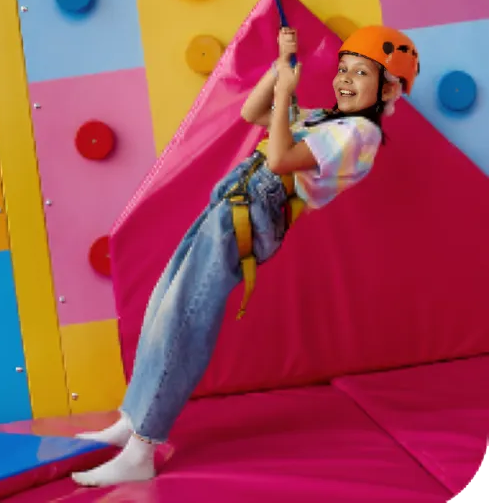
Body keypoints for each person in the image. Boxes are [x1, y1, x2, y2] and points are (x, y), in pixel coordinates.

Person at [71, 25, 420, 488]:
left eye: (361, 73)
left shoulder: (358, 135)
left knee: (185, 319)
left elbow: (278, 160)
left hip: (250, 217)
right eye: (343, 69)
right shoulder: (325, 120)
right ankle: (131, 418)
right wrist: (279, 69)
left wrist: (287, 95)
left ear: (389, 89)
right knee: (163, 306)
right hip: (229, 205)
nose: (345, 79)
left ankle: (142, 448)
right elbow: (252, 112)